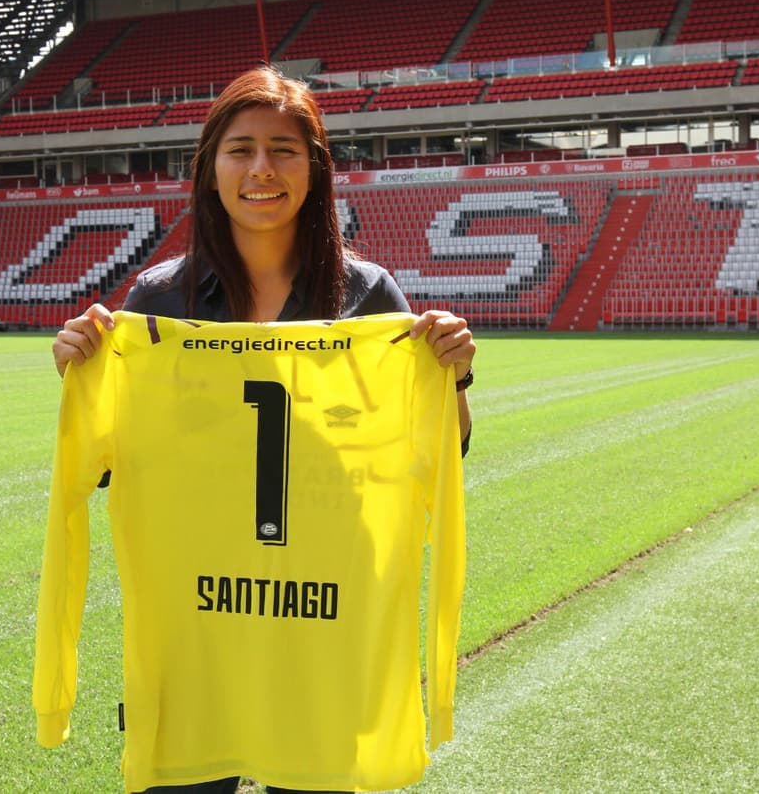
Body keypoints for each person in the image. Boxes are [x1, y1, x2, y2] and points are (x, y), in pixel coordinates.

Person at [47, 65, 475, 793]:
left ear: (315, 168)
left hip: (323, 607)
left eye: (283, 148)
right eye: (240, 148)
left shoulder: (369, 294)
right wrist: (86, 374)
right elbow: (125, 463)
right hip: (198, 618)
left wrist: (452, 376)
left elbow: (435, 453)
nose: (261, 170)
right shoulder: (160, 298)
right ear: (211, 167)